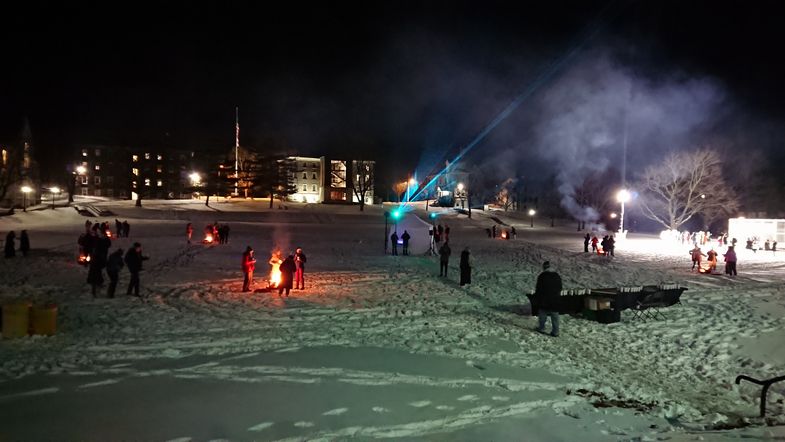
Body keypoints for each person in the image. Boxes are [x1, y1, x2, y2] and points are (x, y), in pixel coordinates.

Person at [534, 261, 562, 337]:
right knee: (555, 315)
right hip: (555, 298)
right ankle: (556, 331)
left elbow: (539, 288)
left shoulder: (542, 276)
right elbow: (560, 287)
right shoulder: (556, 275)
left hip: (544, 299)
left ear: (544, 267)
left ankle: (542, 328)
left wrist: (537, 297)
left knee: (542, 313)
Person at [87, 231, 111, 297]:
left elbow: (108, 245)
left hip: (97, 264)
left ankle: (97, 285)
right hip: (96, 266)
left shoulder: (101, 242)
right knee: (94, 278)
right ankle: (94, 290)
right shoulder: (98, 242)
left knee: (97, 276)